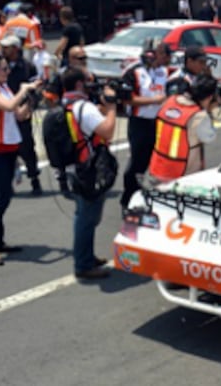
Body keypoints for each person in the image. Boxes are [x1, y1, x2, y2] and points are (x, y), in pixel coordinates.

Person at [0, 54, 42, 266]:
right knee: (0, 198)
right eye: (3, 69)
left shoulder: (3, 89)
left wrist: (32, 99)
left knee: (5, 195)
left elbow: (19, 114)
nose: (7, 72)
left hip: (10, 147)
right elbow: (9, 106)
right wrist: (23, 90)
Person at [58, 67, 118, 279]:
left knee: (84, 215)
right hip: (88, 169)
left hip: (74, 166)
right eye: (89, 81)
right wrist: (111, 109)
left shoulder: (65, 103)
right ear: (79, 84)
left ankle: (86, 256)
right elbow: (107, 130)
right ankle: (83, 265)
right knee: (87, 216)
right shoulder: (84, 107)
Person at [120, 42, 171, 210]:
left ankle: (147, 194)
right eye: (159, 54)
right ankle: (128, 197)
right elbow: (127, 99)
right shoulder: (134, 72)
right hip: (139, 123)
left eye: (164, 54)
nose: (162, 58)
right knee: (137, 161)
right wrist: (155, 100)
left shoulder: (165, 72)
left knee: (156, 160)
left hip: (160, 122)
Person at [148, 74, 219, 183]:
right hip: (182, 173)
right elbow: (209, 137)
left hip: (158, 167)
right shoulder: (199, 115)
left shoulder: (170, 100)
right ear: (210, 97)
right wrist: (209, 112)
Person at [0, 35, 43, 195]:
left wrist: (28, 107)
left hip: (22, 112)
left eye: (8, 47)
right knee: (6, 149)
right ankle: (7, 181)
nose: (4, 50)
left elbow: (36, 90)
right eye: (3, 47)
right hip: (4, 110)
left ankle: (34, 178)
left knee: (27, 147)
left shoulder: (27, 66)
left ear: (16, 48)